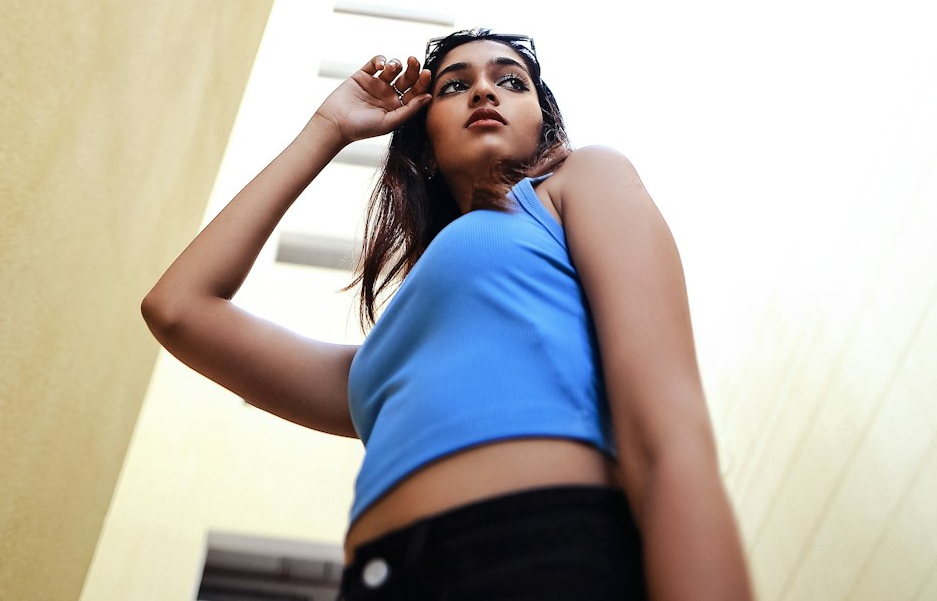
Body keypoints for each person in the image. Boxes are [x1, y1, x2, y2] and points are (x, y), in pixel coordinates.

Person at [142, 29, 754, 601]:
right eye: (455, 85)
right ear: (423, 132)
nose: (485, 90)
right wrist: (326, 129)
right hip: (378, 579)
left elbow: (668, 433)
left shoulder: (576, 182)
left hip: (544, 553)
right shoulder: (379, 371)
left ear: (543, 122)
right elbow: (178, 309)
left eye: (511, 81)